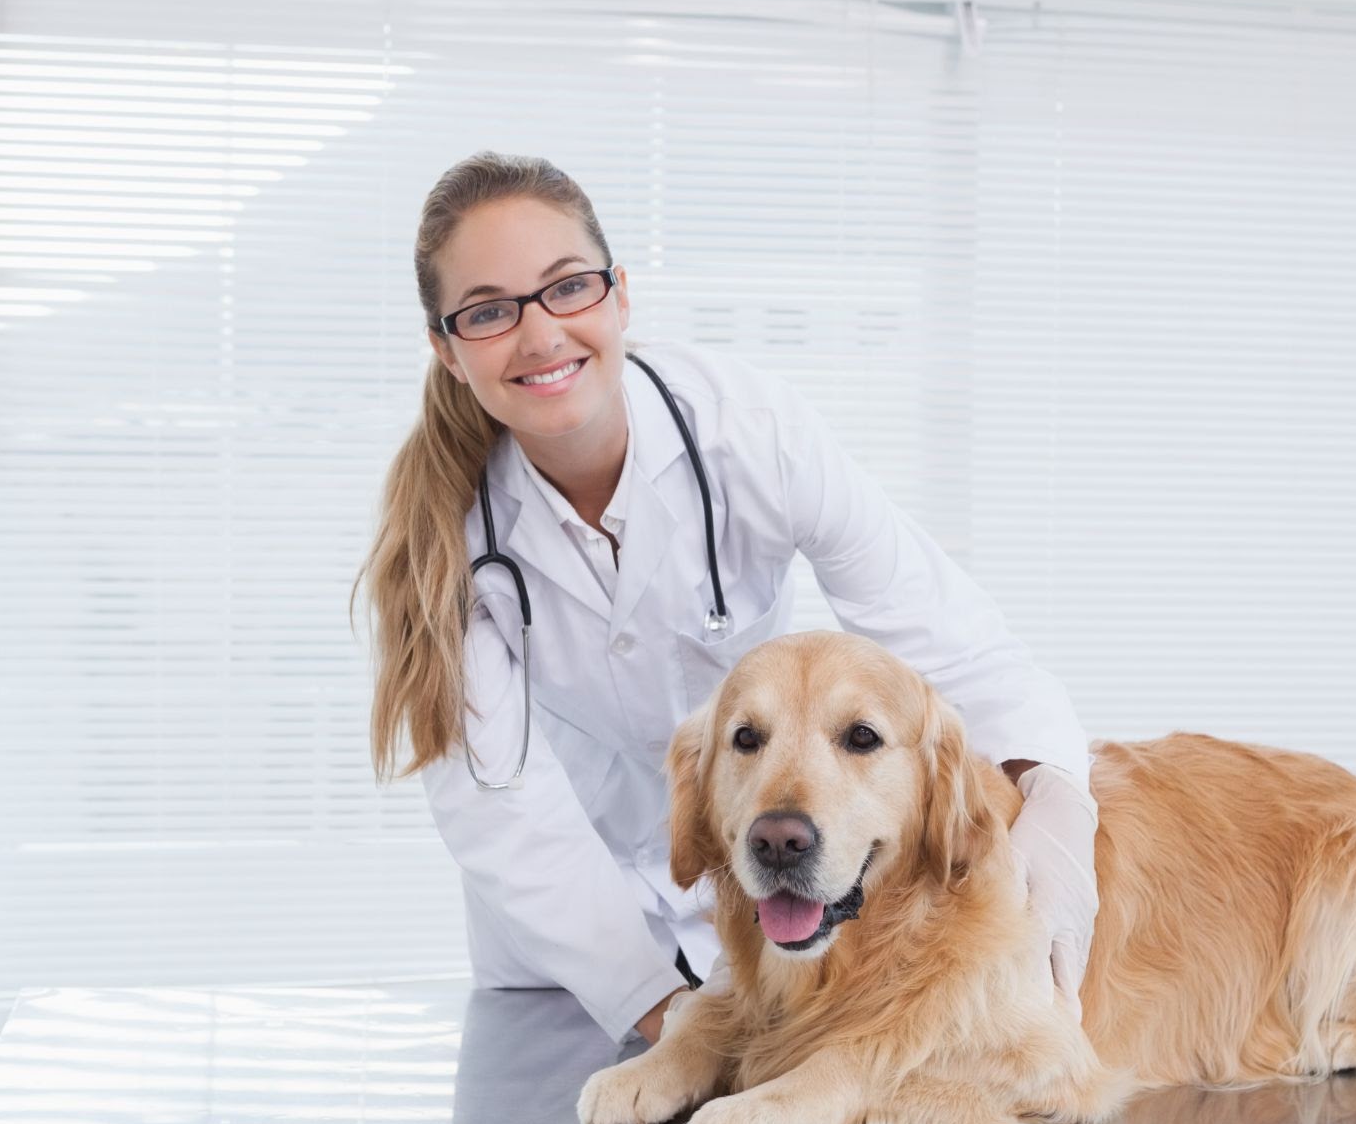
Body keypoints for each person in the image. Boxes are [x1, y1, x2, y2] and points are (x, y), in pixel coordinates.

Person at [360, 152, 1099, 1046]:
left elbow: (947, 640)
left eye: (568, 288)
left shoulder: (750, 433)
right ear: (446, 347)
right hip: (567, 962)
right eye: (488, 310)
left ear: (619, 295)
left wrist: (1061, 801)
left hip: (765, 909)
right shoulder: (444, 541)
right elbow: (504, 813)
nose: (541, 334)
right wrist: (665, 1013)